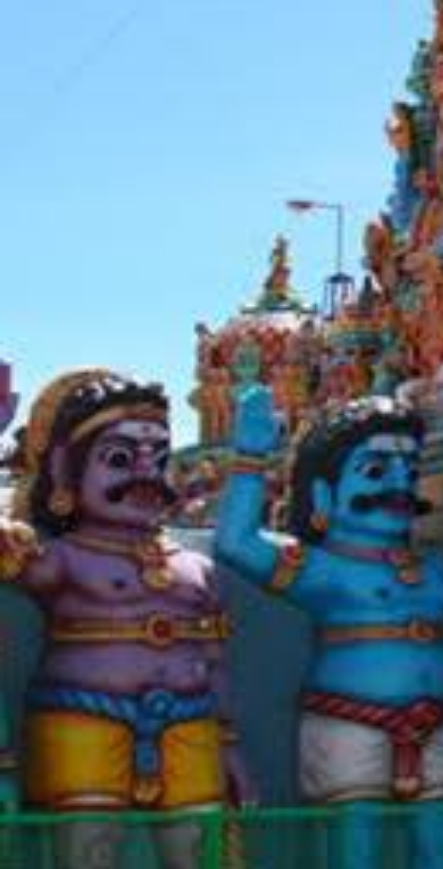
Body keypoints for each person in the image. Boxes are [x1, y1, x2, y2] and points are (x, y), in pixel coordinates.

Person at [215, 388, 443, 869]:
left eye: (410, 471)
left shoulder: (436, 572)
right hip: (349, 724)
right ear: (323, 494)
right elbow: (236, 543)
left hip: (441, 724)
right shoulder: (320, 568)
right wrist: (249, 458)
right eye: (375, 471)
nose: (400, 484)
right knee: (355, 853)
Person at [0, 369, 250, 867]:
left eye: (159, 458)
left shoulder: (195, 567)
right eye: (119, 458)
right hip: (82, 719)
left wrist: (230, 748)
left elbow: (215, 661)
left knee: (203, 852)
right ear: (65, 469)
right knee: (89, 851)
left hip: (190, 722)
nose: (146, 473)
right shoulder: (61, 558)